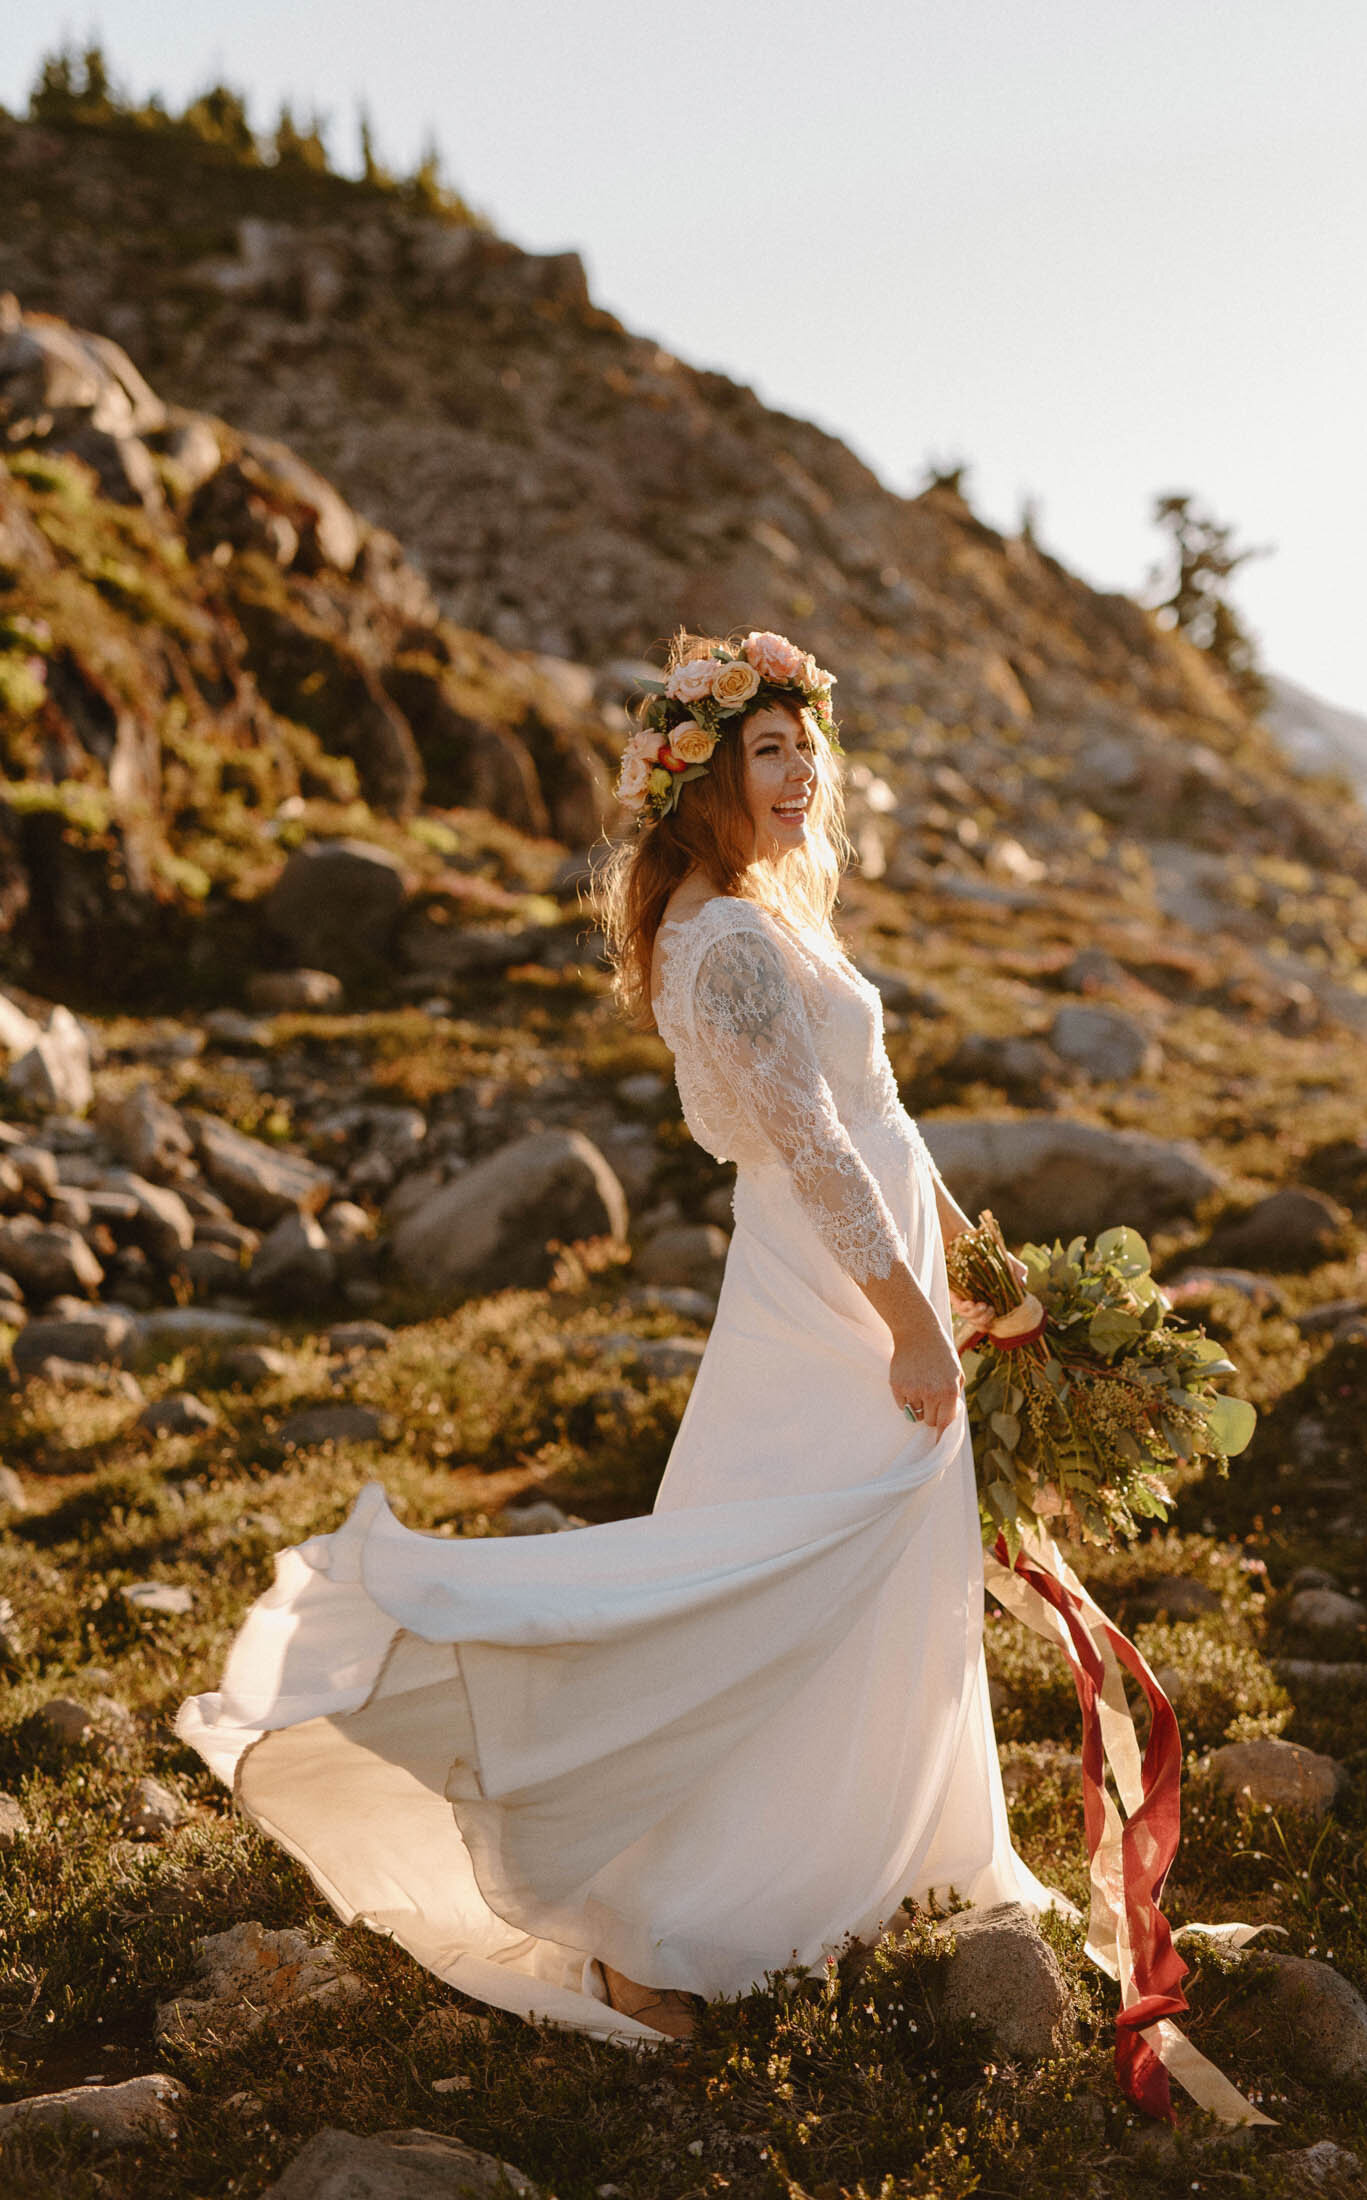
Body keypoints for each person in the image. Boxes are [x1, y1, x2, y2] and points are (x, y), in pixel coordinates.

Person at [175, 625, 1050, 2049]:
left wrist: (974, 1263)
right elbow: (816, 1150)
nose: (801, 772)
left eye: (806, 746)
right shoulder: (720, 943)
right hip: (826, 1304)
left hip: (878, 1273)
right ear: (701, 778)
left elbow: (882, 1120)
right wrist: (908, 1325)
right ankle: (664, 1921)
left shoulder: (777, 918)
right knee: (773, 1578)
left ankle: (882, 1863)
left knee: (872, 1578)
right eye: (769, 749)